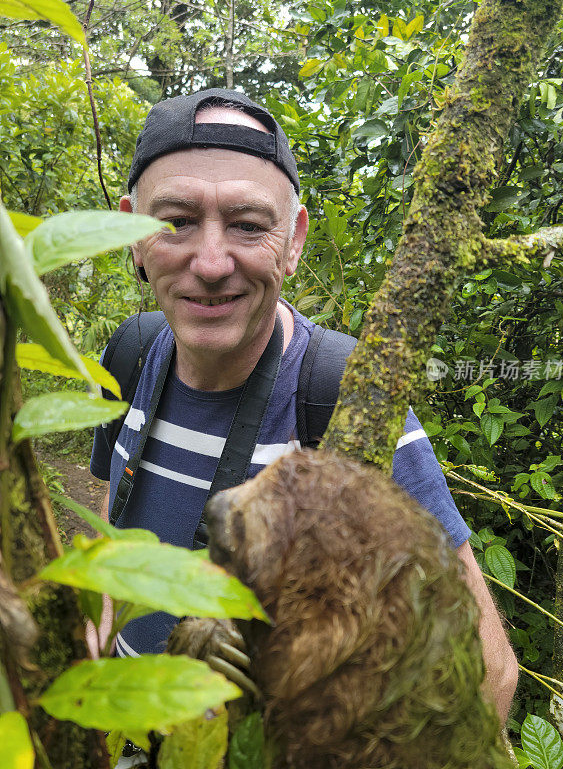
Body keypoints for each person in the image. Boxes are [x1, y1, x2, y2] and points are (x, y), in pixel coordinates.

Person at [90, 88, 518, 723]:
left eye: (248, 225)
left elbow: (488, 675)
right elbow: (112, 522)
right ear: (130, 231)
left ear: (293, 239)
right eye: (174, 221)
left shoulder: (344, 401)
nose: (211, 264)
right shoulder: (130, 355)